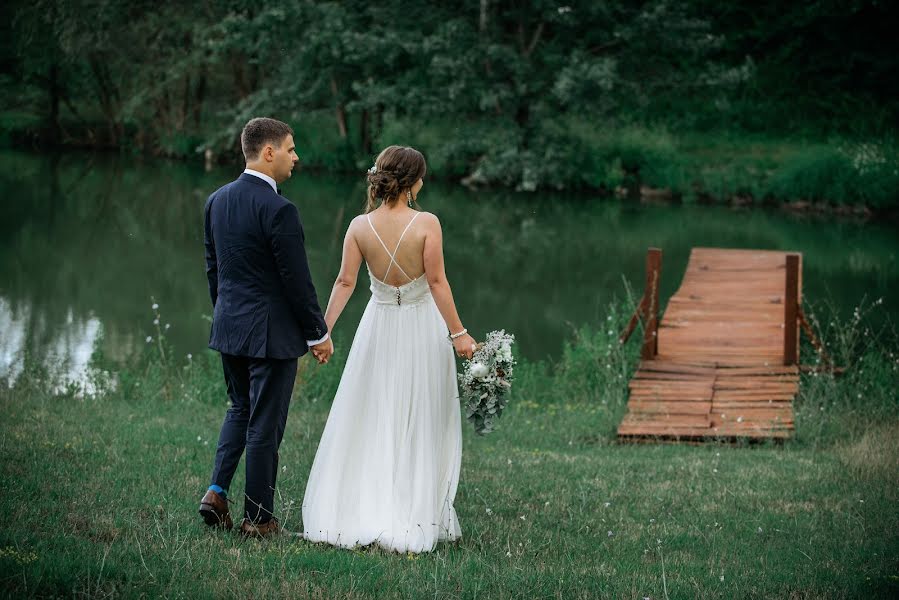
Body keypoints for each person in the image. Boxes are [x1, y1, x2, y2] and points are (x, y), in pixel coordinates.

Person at [302, 145, 477, 553]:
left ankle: (368, 505)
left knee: (375, 412)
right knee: (420, 415)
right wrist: (460, 334)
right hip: (422, 329)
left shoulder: (359, 226)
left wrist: (322, 332)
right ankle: (413, 511)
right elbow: (436, 283)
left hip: (377, 329)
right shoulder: (426, 222)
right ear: (414, 181)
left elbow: (344, 283)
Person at [198, 117, 333, 538]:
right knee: (264, 425)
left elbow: (213, 269)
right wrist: (319, 333)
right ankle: (258, 519)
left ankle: (216, 493)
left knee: (240, 409)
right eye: (291, 149)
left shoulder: (217, 200)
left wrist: (227, 315)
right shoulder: (280, 209)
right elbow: (297, 281)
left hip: (231, 328)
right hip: (271, 335)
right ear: (268, 152)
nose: (297, 157)